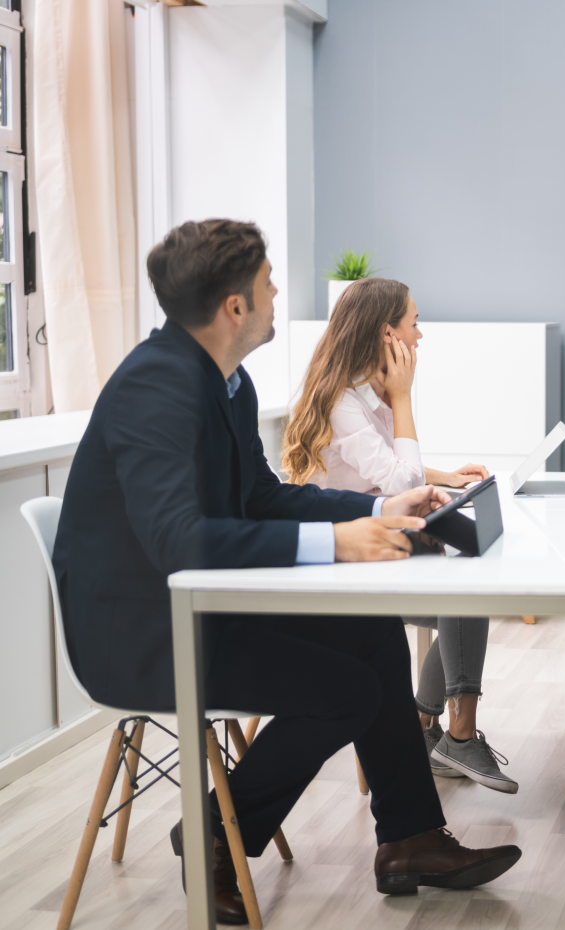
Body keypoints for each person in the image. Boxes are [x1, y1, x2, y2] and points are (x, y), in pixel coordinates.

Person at [51, 220, 520, 923]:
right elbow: (179, 540)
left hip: (202, 604)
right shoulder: (156, 387)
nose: (278, 293)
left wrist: (377, 508)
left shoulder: (227, 383)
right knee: (345, 690)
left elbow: (261, 497)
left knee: (373, 638)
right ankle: (214, 830)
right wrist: (336, 542)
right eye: (269, 283)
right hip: (143, 634)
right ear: (234, 306)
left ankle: (410, 837)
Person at [284, 277, 517, 794]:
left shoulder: (362, 395)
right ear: (387, 333)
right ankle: (453, 735)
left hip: (377, 544)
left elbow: (391, 469)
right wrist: (404, 397)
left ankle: (430, 726)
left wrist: (445, 477)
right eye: (414, 323)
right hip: (344, 563)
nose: (420, 335)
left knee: (467, 583)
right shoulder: (345, 402)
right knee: (464, 585)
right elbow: (400, 480)